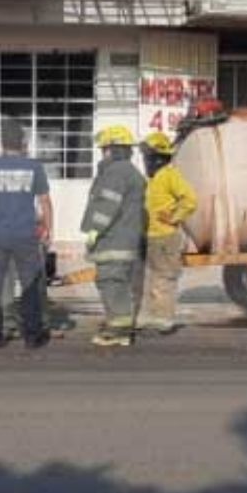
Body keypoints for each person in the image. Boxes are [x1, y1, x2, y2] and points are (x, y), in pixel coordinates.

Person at [0, 120, 53, 350]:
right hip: (26, 236)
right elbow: (45, 201)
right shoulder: (35, 167)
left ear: (2, 142)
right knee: (29, 286)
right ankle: (32, 336)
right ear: (22, 142)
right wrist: (48, 230)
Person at [82, 125, 146, 348]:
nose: (103, 153)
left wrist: (94, 230)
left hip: (114, 240)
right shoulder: (131, 172)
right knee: (118, 285)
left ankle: (117, 332)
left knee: (111, 283)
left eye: (105, 149)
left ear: (112, 149)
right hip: (126, 240)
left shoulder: (116, 172)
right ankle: (119, 327)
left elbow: (106, 205)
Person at [137, 131, 197, 335]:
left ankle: (163, 319)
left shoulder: (170, 175)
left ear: (159, 157)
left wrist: (174, 218)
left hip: (166, 236)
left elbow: (190, 201)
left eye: (148, 157)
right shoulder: (154, 179)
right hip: (153, 236)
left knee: (164, 278)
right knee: (151, 278)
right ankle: (150, 316)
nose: (146, 161)